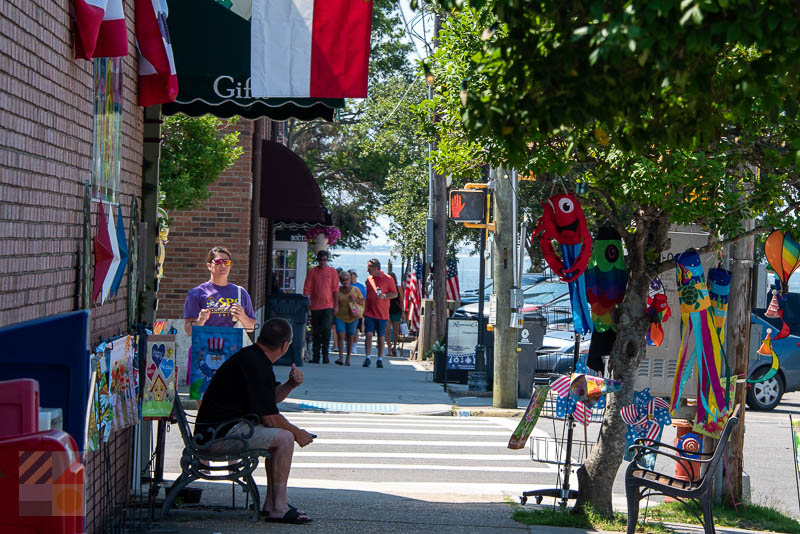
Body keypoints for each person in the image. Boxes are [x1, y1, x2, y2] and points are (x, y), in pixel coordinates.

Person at [195, 318, 314, 524]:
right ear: (285, 345)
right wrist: (298, 433)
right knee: (284, 438)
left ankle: (273, 504)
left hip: (220, 430)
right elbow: (270, 417)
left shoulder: (254, 359)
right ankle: (278, 507)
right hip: (217, 435)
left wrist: (290, 385)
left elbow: (267, 401)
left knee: (279, 437)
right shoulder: (256, 364)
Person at [184, 246, 258, 393]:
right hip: (202, 352)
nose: (223, 265)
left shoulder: (240, 292)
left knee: (229, 398)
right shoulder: (197, 293)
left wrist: (242, 316)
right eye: (218, 262)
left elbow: (251, 327)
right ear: (209, 265)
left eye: (227, 262)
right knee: (202, 399)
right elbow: (188, 330)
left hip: (231, 351)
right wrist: (200, 321)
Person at [302, 250, 339, 364]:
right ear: (317, 260)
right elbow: (307, 289)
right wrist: (307, 301)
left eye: (324, 259)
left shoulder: (332, 272)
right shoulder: (312, 272)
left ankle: (325, 355)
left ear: (327, 260)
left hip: (328, 305)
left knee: (326, 330)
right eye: (320, 260)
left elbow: (335, 290)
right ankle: (316, 356)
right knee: (316, 331)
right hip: (315, 306)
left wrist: (336, 305)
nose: (322, 262)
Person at [362, 258, 398, 368]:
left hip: (382, 313)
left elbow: (395, 294)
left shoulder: (388, 278)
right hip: (369, 312)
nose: (367, 269)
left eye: (369, 267)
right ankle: (367, 357)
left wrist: (385, 296)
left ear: (376, 268)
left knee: (381, 336)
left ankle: (379, 359)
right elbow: (367, 295)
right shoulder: (369, 279)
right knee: (368, 334)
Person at [333, 271, 364, 366]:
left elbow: (363, 301)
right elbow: (334, 302)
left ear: (350, 280)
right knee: (341, 335)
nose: (345, 281)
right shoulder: (337, 290)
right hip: (340, 316)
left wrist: (355, 299)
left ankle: (348, 359)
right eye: (343, 280)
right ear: (340, 281)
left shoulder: (355, 290)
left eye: (347, 279)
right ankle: (341, 358)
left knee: (350, 336)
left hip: (353, 316)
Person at [387, 271, 403, 357]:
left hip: (396, 311)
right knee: (388, 330)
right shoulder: (386, 288)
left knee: (396, 331)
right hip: (387, 310)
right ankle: (389, 348)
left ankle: (394, 347)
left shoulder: (398, 287)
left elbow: (402, 300)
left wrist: (403, 312)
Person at [349, 270, 366, 344]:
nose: (352, 277)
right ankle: (349, 342)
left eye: (353, 275)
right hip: (348, 308)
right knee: (349, 327)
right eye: (350, 275)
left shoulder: (361, 286)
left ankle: (354, 345)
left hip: (358, 309)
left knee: (356, 328)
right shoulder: (346, 285)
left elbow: (364, 299)